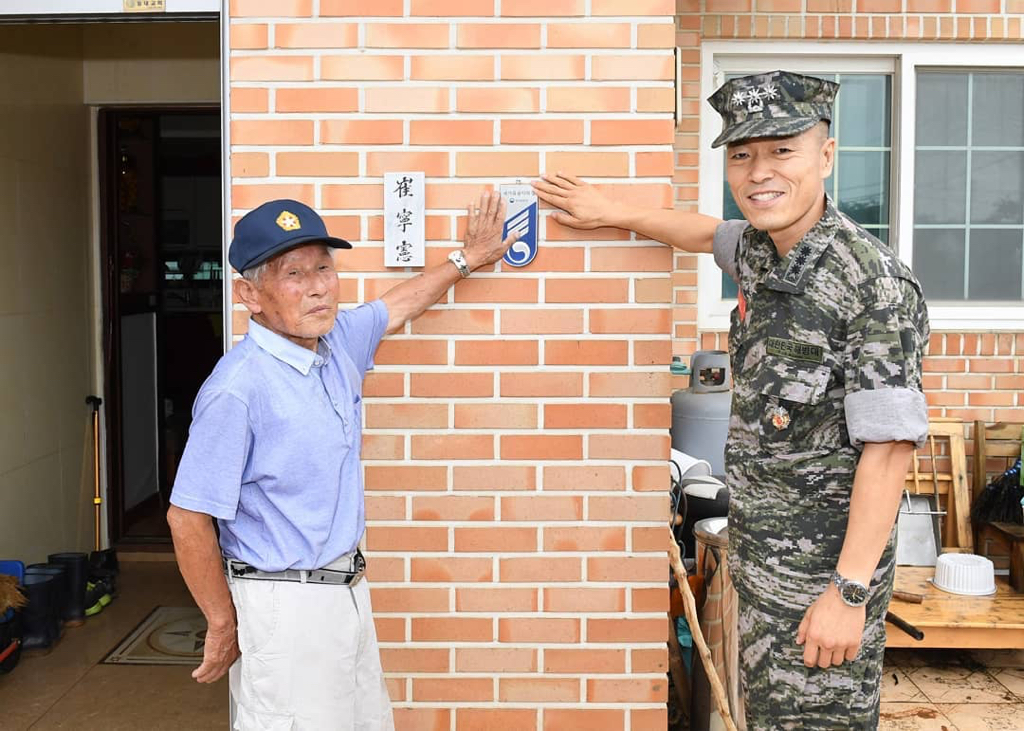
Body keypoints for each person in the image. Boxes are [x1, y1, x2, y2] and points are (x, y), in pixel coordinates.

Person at [533, 70, 929, 729]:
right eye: (742, 154)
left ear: (825, 156)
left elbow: (888, 453)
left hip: (820, 593)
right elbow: (701, 231)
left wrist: (849, 592)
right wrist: (613, 212)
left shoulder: (872, 283)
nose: (758, 171)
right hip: (764, 584)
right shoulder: (762, 252)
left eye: (781, 151)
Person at [167, 192, 516, 730]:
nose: (317, 287)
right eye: (293, 274)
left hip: (347, 593)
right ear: (249, 294)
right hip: (284, 607)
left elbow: (397, 306)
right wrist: (221, 622)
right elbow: (187, 516)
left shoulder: (335, 344)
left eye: (324, 268)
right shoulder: (238, 389)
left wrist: (469, 258)